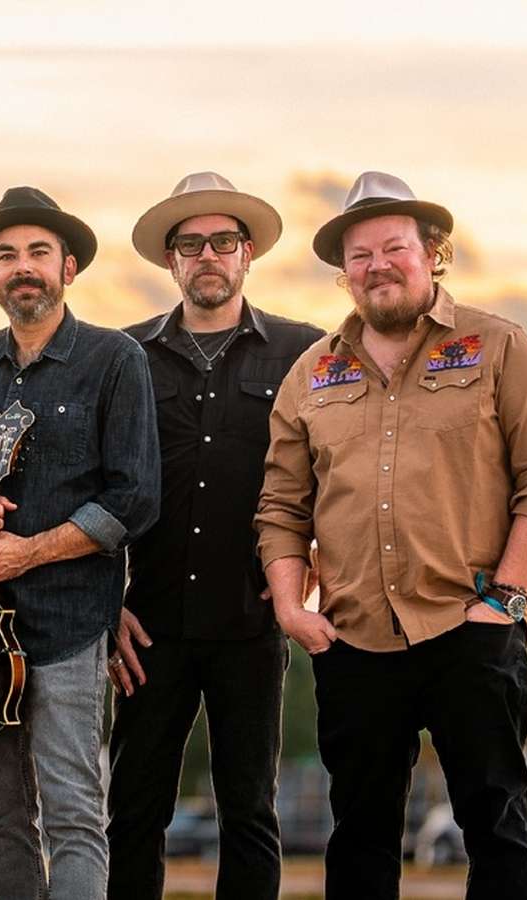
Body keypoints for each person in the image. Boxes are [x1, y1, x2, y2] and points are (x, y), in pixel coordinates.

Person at [256, 172, 527, 899]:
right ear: (344, 273)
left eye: (394, 247)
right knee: (360, 838)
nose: (377, 265)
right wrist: (290, 609)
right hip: (354, 640)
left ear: (433, 252)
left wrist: (504, 599)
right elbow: (281, 506)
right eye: (360, 254)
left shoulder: (500, 348)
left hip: (469, 629)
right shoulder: (311, 374)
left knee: (494, 827)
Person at [0, 186, 160, 900]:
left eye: (38, 254)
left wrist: (30, 550)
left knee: (75, 811)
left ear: (69, 268)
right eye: (7, 256)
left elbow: (134, 498)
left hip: (72, 624)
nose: (24, 268)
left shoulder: (115, 360)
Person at [110, 172, 323, 900]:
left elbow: (340, 464)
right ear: (170, 260)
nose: (207, 255)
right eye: (190, 244)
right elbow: (95, 483)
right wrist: (109, 600)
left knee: (249, 810)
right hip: (148, 625)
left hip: (251, 617)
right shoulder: (124, 355)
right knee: (133, 808)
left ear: (248, 253)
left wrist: (314, 557)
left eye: (222, 241)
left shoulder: (304, 350)